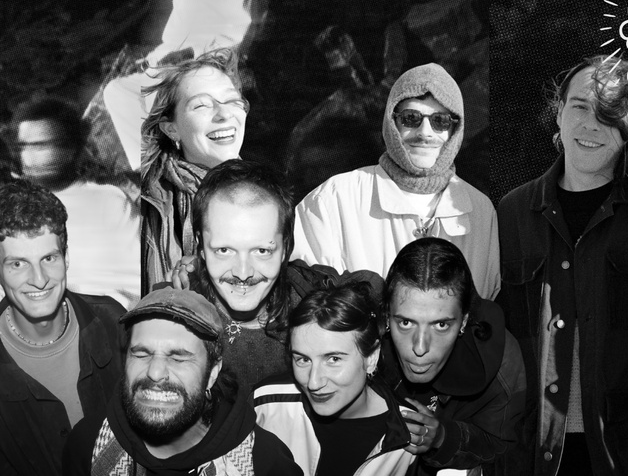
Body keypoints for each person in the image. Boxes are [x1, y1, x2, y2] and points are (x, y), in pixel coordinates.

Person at [497, 55, 628, 475]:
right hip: (535, 459)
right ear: (558, 113)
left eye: (610, 114)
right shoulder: (513, 213)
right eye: (580, 107)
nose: (591, 125)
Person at [292, 63, 501, 300]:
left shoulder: (480, 211)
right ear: (392, 123)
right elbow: (305, 295)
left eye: (440, 121)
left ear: (455, 129)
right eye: (411, 118)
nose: (425, 133)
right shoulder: (334, 199)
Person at [174, 158, 383, 389]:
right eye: (224, 250)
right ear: (200, 247)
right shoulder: (173, 317)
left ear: (286, 248)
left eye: (262, 251)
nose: (243, 272)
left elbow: (378, 291)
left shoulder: (309, 295)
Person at [63, 287, 302, 476]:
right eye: (142, 354)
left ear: (212, 373)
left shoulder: (265, 463)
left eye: (178, 358)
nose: (155, 372)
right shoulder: (87, 445)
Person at [101, 0, 251, 172]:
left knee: (163, 98)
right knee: (118, 90)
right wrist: (149, 59)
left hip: (203, 62)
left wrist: (193, 53)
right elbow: (174, 35)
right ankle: (149, 167)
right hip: (169, 63)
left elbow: (234, 28)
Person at [0, 179, 124, 476]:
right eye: (18, 264)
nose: (39, 279)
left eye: (48, 258)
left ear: (66, 259)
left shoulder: (113, 322)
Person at [381, 237, 526, 475]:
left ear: (464, 321)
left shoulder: (502, 363)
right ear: (387, 315)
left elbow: (505, 452)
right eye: (406, 323)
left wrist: (444, 438)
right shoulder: (360, 342)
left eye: (441, 325)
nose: (420, 347)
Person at [254, 281, 418, 476]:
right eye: (303, 359)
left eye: (333, 359)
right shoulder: (266, 404)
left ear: (371, 358)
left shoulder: (408, 432)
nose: (313, 383)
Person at [8, 96, 140, 309]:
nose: (30, 157)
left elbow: (139, 283)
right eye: (24, 147)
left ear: (71, 149)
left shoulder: (109, 202)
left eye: (41, 145)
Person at [141, 49, 249, 288]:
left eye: (232, 101)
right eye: (201, 106)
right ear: (171, 129)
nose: (224, 114)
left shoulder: (266, 194)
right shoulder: (151, 206)